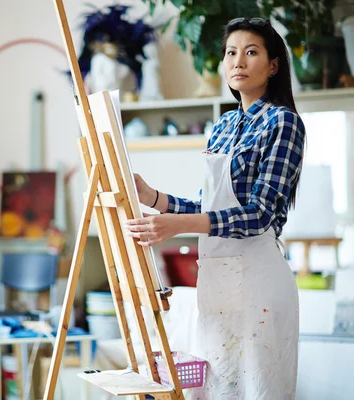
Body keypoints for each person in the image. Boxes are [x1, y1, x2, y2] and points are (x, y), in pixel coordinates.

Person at [126, 17, 305, 399]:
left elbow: (258, 214)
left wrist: (175, 225)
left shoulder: (283, 122)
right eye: (231, 52)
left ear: (273, 65)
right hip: (217, 287)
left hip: (259, 288)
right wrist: (153, 197)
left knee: (259, 390)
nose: (238, 61)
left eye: (251, 52)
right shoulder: (223, 125)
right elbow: (209, 206)